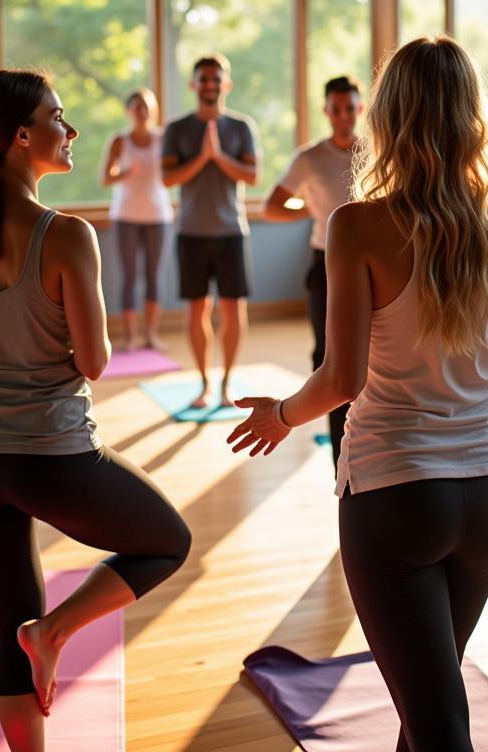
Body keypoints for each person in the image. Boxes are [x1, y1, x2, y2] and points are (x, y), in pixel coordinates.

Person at [228, 37, 488, 751]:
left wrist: (281, 415)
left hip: (394, 493)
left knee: (436, 720)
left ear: (387, 118)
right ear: (473, 115)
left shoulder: (358, 224)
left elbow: (343, 379)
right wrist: (455, 385)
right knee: (427, 706)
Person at [0, 69, 190, 752]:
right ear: (20, 137)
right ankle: (58, 630)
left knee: (10, 617)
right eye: (59, 119)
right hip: (53, 458)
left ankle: (38, 642)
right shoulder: (66, 234)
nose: (70, 132)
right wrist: (33, 354)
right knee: (168, 542)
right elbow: (95, 362)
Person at [263, 75, 364, 469]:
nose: (343, 116)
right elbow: (272, 206)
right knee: (328, 355)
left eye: (350, 107)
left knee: (373, 355)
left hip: (373, 264)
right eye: (336, 109)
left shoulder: (376, 150)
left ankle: (371, 434)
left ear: (360, 108)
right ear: (327, 111)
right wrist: (310, 209)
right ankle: (342, 454)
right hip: (325, 265)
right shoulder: (310, 157)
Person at [162, 53, 260, 410]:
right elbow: (168, 179)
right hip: (191, 232)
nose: (209, 85)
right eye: (203, 79)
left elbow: (252, 176)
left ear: (226, 84)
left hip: (232, 231)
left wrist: (218, 157)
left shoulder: (241, 127)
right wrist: (203, 158)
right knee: (196, 310)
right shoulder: (177, 129)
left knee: (234, 310)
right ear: (193, 85)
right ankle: (204, 383)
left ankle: (227, 382)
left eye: (215, 79)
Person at [101, 88, 173, 352]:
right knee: (129, 277)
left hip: (158, 216)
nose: (141, 111)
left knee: (154, 276)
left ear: (153, 110)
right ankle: (130, 337)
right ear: (128, 111)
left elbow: (173, 172)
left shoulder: (164, 139)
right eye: (136, 106)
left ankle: (151, 335)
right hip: (125, 216)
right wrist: (125, 173)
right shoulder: (119, 140)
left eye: (146, 106)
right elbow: (105, 178)